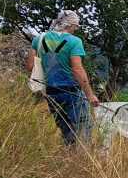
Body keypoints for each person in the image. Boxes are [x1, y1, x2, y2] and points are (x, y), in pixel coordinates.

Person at [26, 10, 99, 145]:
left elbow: (30, 66)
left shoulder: (39, 39)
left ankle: (70, 157)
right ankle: (82, 161)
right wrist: (90, 95)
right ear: (70, 25)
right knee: (83, 129)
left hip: (51, 92)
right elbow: (77, 69)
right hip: (72, 92)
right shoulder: (74, 42)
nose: (76, 29)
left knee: (66, 130)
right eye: (76, 26)